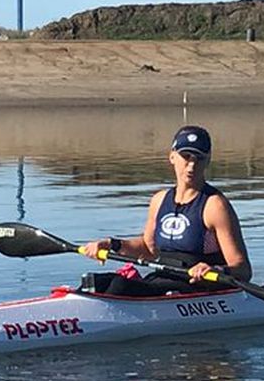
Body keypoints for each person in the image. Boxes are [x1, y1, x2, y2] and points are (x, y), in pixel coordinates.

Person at [80, 125, 251, 296]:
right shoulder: (159, 200)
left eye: (199, 158)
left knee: (120, 286)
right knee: (98, 282)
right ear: (172, 156)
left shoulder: (214, 206)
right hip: (164, 278)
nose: (191, 166)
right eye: (186, 156)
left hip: (196, 286)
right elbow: (148, 249)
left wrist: (215, 269)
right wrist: (112, 244)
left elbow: (243, 270)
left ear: (207, 161)